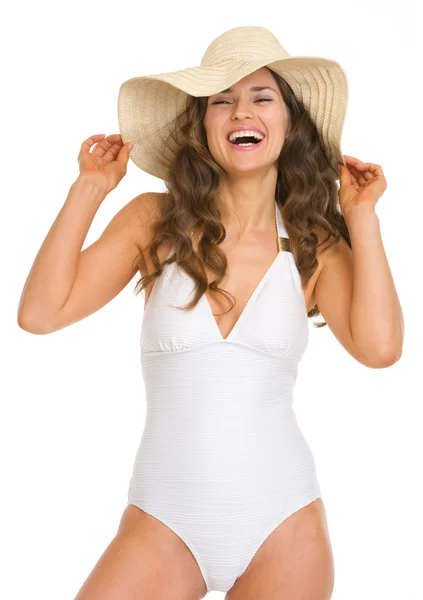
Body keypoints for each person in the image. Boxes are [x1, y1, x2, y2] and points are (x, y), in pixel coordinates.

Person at [18, 25, 401, 600]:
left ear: (289, 123)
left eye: (261, 97)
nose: (240, 111)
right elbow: (41, 314)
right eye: (221, 100)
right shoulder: (154, 220)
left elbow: (380, 349)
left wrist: (362, 218)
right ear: (202, 126)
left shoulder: (314, 244)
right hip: (161, 522)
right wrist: (90, 188)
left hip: (284, 522)